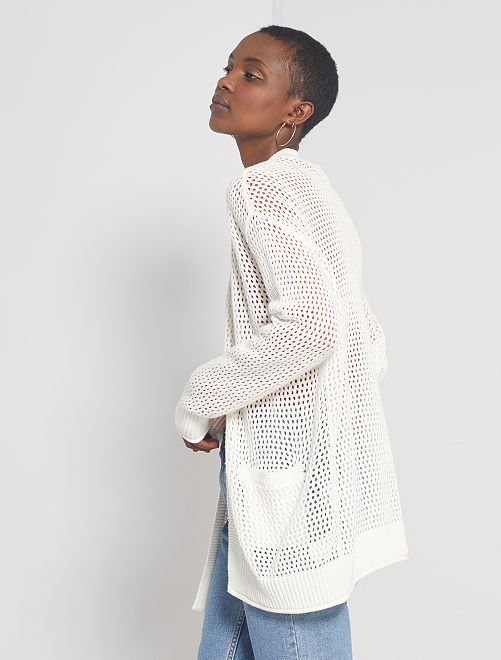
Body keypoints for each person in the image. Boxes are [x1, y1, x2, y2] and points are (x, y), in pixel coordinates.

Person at [175, 25, 409, 660]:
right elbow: (366, 337)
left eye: (251, 75)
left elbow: (311, 327)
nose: (226, 81)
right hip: (298, 465)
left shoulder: (260, 188)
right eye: (229, 67)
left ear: (295, 111)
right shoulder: (312, 187)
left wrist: (201, 398)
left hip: (286, 474)